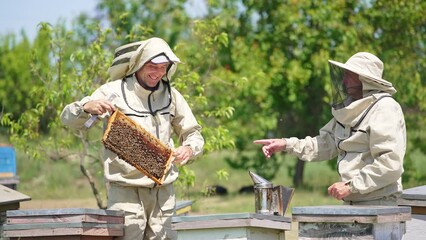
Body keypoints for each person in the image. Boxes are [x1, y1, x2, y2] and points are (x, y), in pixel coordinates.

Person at [61, 37, 204, 239]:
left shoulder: (172, 95)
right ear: (138, 63)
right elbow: (68, 120)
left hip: (163, 194)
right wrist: (86, 107)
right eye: (152, 66)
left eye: (163, 67)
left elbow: (193, 133)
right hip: (125, 192)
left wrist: (189, 148)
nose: (158, 73)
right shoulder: (113, 91)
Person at [254, 52, 406, 206]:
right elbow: (325, 144)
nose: (344, 80)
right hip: (354, 201)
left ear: (365, 80)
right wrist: (285, 144)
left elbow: (390, 164)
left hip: (380, 204)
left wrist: (351, 186)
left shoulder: (385, 109)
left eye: (349, 75)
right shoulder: (351, 109)